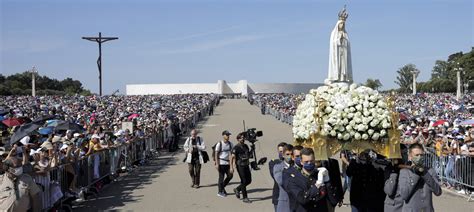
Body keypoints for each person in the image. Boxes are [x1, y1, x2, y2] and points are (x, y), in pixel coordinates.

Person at [283, 148, 331, 212]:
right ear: (301, 162)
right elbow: (302, 199)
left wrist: (327, 180)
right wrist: (317, 184)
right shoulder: (294, 179)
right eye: (306, 161)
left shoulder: (319, 174)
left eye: (311, 161)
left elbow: (333, 199)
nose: (309, 163)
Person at [399, 143, 442, 212]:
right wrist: (416, 174)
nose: (419, 157)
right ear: (410, 157)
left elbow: (438, 192)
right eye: (416, 155)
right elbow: (404, 195)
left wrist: (425, 174)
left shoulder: (430, 171)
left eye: (421, 155)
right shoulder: (405, 172)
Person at [231, 133, 252, 203]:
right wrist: (232, 166)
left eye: (243, 137)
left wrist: (252, 149)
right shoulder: (236, 147)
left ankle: (237, 189)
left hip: (246, 165)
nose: (242, 139)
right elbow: (232, 157)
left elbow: (249, 155)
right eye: (240, 138)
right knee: (243, 181)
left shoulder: (246, 146)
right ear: (238, 139)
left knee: (249, 180)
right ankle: (245, 197)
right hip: (240, 166)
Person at [273, 144, 294, 212]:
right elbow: (281, 181)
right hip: (285, 203)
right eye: (287, 154)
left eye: (291, 154)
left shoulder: (298, 167)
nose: (290, 156)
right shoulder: (278, 167)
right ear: (283, 155)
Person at [215, 130, 234, 197]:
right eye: (226, 135)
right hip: (221, 163)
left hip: (228, 163)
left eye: (228, 135)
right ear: (223, 135)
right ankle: (220, 192)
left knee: (230, 176)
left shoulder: (230, 144)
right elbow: (216, 154)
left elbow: (231, 155)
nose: (228, 136)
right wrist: (217, 164)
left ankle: (222, 187)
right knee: (221, 177)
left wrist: (231, 167)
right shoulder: (219, 144)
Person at [269, 142, 287, 211]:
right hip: (278, 196)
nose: (282, 153)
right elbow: (276, 177)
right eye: (280, 151)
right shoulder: (273, 163)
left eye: (283, 151)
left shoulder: (293, 163)